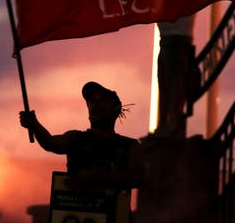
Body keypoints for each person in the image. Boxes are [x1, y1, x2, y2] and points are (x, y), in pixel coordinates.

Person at [19, 81, 145, 215]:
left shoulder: (130, 146)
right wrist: (34, 125)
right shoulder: (75, 139)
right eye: (92, 100)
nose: (96, 103)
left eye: (102, 99)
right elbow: (50, 143)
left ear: (115, 108)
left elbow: (139, 178)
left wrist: (95, 178)